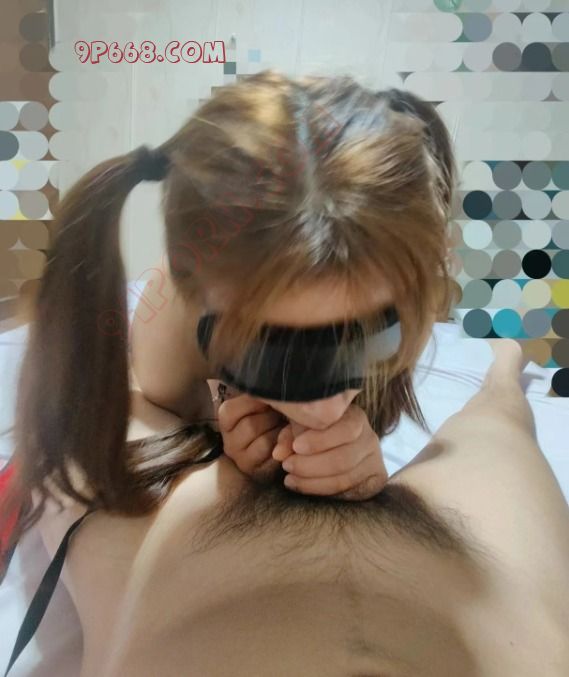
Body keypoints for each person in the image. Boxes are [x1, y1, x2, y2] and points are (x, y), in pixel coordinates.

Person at [0, 68, 458, 556]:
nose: (325, 410)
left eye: (369, 339)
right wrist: (222, 446)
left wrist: (362, 469)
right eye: (270, 358)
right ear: (197, 303)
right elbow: (143, 418)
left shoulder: (403, 278)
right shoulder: (168, 343)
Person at [29, 340, 569, 677]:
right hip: (465, 563)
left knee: (501, 406)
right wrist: (230, 405)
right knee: (498, 416)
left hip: (194, 556)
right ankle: (505, 366)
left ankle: (505, 361)